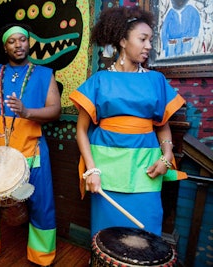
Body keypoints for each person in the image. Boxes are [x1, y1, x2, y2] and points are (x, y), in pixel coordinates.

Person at [69, 6, 187, 238]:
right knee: (107, 235)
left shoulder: (156, 80)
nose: (149, 46)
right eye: (142, 39)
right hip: (105, 170)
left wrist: (167, 157)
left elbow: (162, 125)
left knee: (146, 234)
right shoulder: (100, 80)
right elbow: (81, 131)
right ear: (123, 40)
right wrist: (91, 169)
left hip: (146, 170)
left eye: (150, 40)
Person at [0, 24, 61, 267]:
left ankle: (42, 258)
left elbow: (55, 109)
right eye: (12, 41)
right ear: (5, 46)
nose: (18, 45)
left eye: (23, 40)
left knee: (41, 203)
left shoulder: (44, 74)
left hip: (33, 150)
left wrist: (27, 111)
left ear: (29, 43)